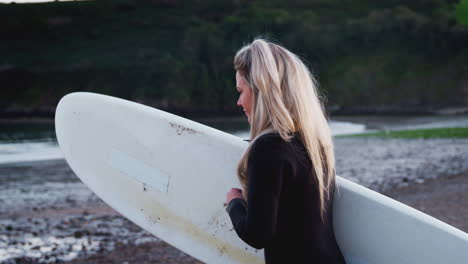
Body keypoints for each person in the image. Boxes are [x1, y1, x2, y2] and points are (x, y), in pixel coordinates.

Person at [225, 38, 346, 264]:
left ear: (262, 91)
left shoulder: (267, 148)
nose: (239, 102)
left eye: (241, 91)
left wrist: (233, 203)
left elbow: (257, 234)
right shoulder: (315, 145)